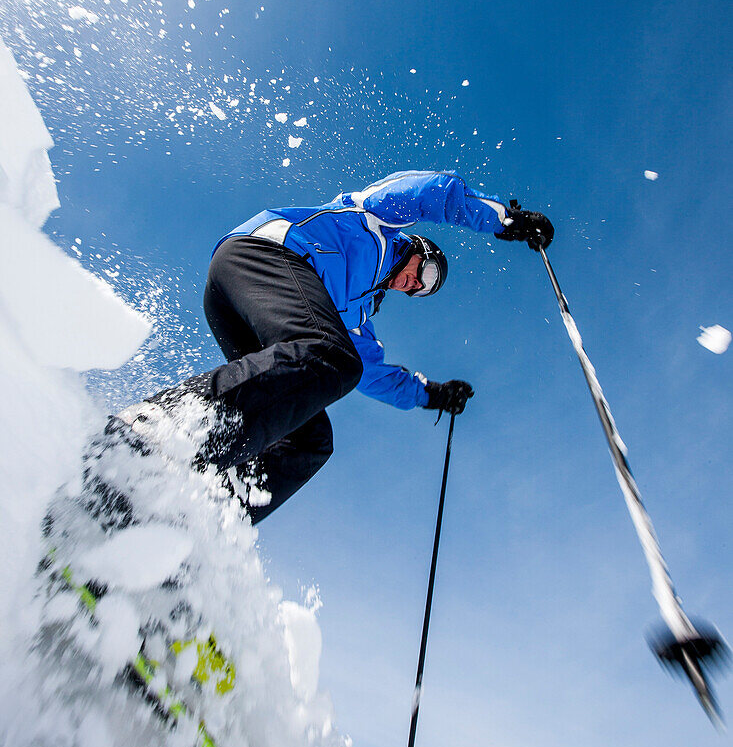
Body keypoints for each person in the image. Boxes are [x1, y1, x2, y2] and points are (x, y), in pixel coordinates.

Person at [124, 171, 553, 522]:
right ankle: (151, 436)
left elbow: (371, 375)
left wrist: (431, 394)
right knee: (328, 356)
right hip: (262, 255)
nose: (414, 285)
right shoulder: (377, 220)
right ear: (419, 249)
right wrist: (503, 221)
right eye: (425, 275)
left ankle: (191, 515)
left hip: (258, 309)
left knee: (311, 438)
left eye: (422, 291)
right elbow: (431, 193)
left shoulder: (354, 317)